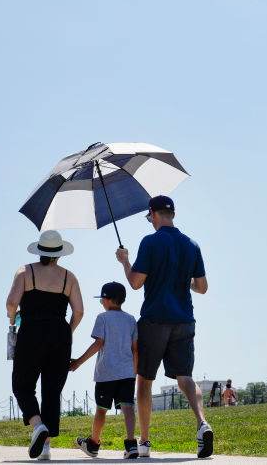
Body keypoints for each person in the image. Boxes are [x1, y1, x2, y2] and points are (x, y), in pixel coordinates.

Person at [116, 195, 213, 459]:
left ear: (153, 214)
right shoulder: (191, 244)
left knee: (145, 380)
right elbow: (202, 288)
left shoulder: (150, 242)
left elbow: (136, 283)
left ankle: (145, 441)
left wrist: (125, 261)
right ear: (173, 214)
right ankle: (202, 423)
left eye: (149, 217)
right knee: (185, 377)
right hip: (184, 319)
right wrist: (183, 282)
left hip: (155, 319)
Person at [6, 231, 84, 461]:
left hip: (31, 331)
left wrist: (13, 320)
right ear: (59, 254)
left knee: (22, 385)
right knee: (52, 390)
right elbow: (79, 311)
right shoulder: (69, 277)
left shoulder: (25, 272)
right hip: (59, 334)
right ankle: (46, 447)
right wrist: (66, 332)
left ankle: (38, 425)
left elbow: (11, 303)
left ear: (39, 251)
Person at [70, 282, 139, 460]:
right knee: (128, 408)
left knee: (101, 410)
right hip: (127, 372)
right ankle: (131, 444)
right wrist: (134, 372)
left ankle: (93, 443)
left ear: (108, 300)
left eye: (102, 299)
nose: (101, 302)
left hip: (106, 373)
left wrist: (78, 362)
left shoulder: (102, 318)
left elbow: (98, 343)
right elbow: (135, 349)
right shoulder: (131, 320)